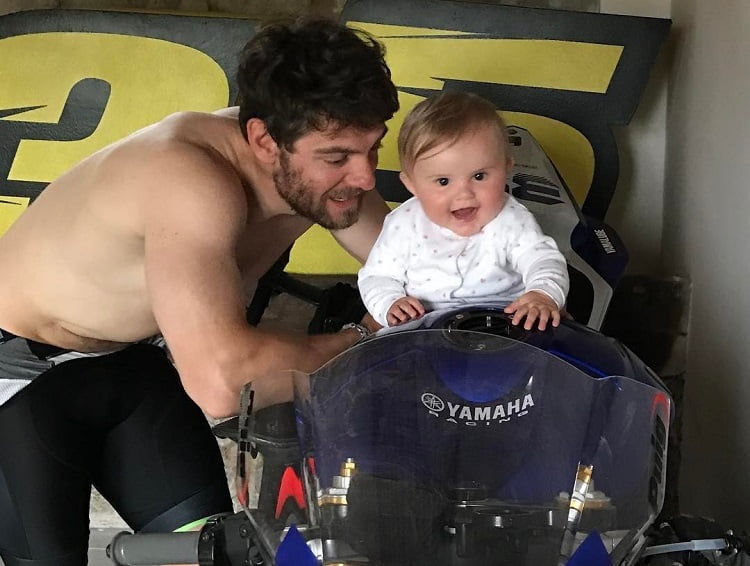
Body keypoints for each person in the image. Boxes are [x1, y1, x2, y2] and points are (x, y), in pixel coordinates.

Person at [0, 18, 398, 566]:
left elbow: (424, 277)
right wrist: (359, 338)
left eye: (372, 148)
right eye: (337, 157)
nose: (365, 177)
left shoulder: (318, 176)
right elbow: (221, 383)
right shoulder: (189, 177)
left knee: (208, 553)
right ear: (264, 140)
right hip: (18, 373)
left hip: (130, 363)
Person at [358, 91, 568, 332]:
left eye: (479, 176)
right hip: (426, 326)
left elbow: (542, 259)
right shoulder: (403, 224)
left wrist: (542, 293)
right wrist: (390, 303)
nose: (464, 194)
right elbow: (377, 276)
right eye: (443, 181)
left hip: (505, 322)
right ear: (412, 185)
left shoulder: (511, 219)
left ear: (506, 168)